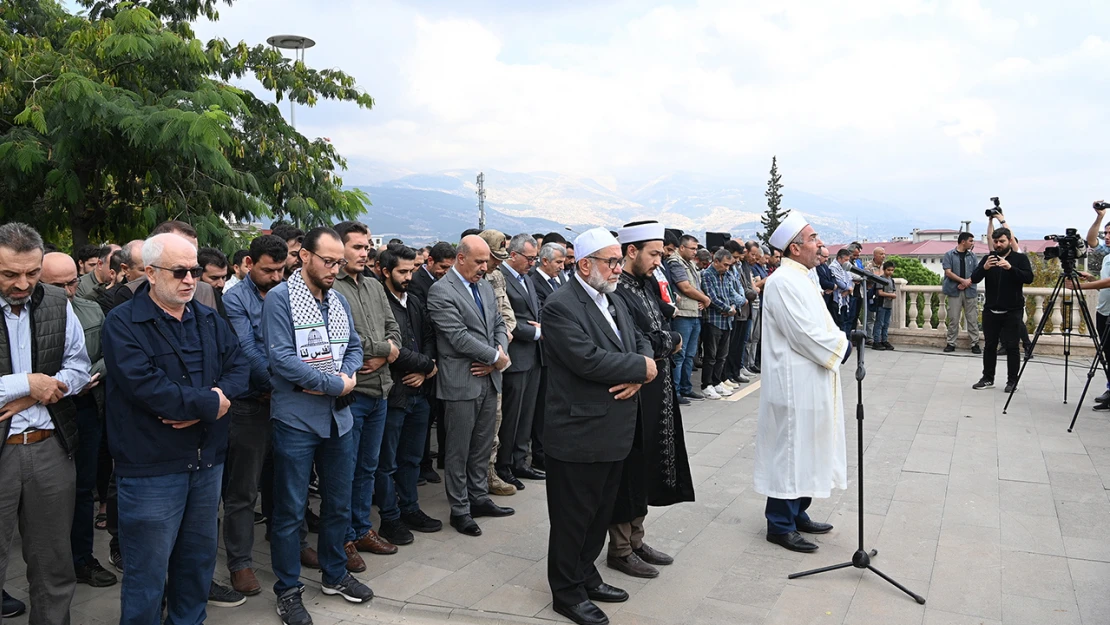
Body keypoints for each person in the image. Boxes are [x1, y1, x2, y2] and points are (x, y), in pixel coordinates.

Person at [103, 232, 249, 624]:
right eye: (180, 271)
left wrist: (209, 405)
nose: (190, 280)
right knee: (147, 576)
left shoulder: (208, 318)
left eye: (195, 271)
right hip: (152, 468)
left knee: (196, 567)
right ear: (149, 272)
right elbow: (146, 387)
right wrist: (210, 405)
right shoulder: (122, 323)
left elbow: (240, 367)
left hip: (206, 464)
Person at [541, 227, 657, 625]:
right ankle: (566, 592)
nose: (617, 269)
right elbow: (586, 359)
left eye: (618, 261)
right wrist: (641, 367)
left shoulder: (612, 298)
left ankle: (585, 574)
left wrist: (641, 368)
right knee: (573, 517)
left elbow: (639, 338)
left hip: (612, 431)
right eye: (610, 261)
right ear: (585, 263)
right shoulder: (560, 306)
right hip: (578, 433)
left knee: (598, 513)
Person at [262, 227, 373, 625]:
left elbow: (355, 346)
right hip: (296, 420)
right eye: (328, 261)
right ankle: (288, 589)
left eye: (338, 262)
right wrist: (332, 384)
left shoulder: (338, 299)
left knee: (338, 502)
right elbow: (282, 360)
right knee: (291, 509)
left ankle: (333, 573)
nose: (334, 268)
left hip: (338, 419)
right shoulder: (280, 300)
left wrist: (343, 376)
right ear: (304, 256)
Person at [0, 223, 91, 625]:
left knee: (54, 565)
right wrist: (26, 384)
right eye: (9, 274)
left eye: (32, 273)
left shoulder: (56, 301)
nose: (23, 283)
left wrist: (45, 389)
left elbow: (79, 366)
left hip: (50, 448)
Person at [754, 212, 850, 554]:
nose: (820, 244)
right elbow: (803, 332)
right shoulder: (782, 281)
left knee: (809, 445)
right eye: (813, 239)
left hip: (811, 376)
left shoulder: (804, 276)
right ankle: (779, 524)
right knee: (790, 450)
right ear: (795, 248)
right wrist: (843, 346)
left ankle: (798, 512)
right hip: (793, 381)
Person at [606, 221, 694, 581]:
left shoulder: (643, 284)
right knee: (630, 468)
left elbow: (662, 324)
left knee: (650, 464)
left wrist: (667, 337)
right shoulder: (617, 291)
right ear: (631, 251)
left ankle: (637, 539)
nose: (659, 261)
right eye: (654, 253)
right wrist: (669, 339)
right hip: (635, 391)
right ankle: (620, 549)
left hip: (657, 386)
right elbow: (642, 340)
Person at [222, 235, 296, 596]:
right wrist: (278, 383)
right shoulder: (234, 298)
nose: (277, 277)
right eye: (269, 270)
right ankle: (240, 562)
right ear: (250, 263)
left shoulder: (289, 291)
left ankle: (292, 546)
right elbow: (247, 348)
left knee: (287, 483)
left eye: (282, 269)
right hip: (252, 403)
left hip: (287, 400)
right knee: (243, 490)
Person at [426, 235, 514, 537]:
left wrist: (499, 357)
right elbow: (457, 337)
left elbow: (500, 324)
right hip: (462, 381)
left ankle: (478, 498)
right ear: (460, 258)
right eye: (479, 261)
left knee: (482, 445)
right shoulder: (441, 291)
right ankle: (460, 508)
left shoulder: (486, 287)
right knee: (458, 450)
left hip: (489, 377)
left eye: (487, 261)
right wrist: (495, 357)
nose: (484, 267)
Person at [41, 253, 117, 588]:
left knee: (82, 488)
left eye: (72, 282)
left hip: (85, 406)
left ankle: (81, 559)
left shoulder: (91, 309)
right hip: (39, 412)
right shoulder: (23, 318)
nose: (68, 291)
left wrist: (86, 377)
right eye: (57, 285)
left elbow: (107, 354)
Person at [331, 221, 403, 568]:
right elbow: (344, 340)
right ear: (338, 249)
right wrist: (383, 349)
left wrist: (388, 350)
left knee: (368, 467)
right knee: (344, 468)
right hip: (353, 392)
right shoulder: (332, 288)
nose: (365, 252)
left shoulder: (374, 285)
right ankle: (342, 537)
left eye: (366, 246)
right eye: (357, 247)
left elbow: (395, 332)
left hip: (381, 390)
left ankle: (361, 529)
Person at [376, 245, 443, 540]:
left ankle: (410, 508)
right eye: (402, 271)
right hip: (394, 392)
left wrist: (426, 368)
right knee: (386, 462)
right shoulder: (379, 302)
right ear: (385, 271)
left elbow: (428, 336)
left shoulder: (414, 300)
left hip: (419, 390)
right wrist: (426, 365)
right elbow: (390, 349)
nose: (409, 276)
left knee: (412, 458)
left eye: (412, 270)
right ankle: (389, 517)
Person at [497, 234, 547, 489]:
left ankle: (520, 461)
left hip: (533, 357)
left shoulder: (526, 278)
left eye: (535, 258)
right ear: (513, 255)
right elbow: (508, 319)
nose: (532, 263)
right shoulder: (500, 278)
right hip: (516, 356)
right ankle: (504, 465)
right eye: (529, 258)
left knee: (526, 414)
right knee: (511, 416)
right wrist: (537, 332)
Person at [476, 230, 519, 497]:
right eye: (494, 258)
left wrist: (502, 342)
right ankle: (476, 482)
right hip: (479, 361)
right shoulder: (469, 278)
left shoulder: (497, 276)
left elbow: (506, 315)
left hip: (499, 357)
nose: (496, 263)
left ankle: (489, 473)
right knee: (477, 430)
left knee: (495, 421)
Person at [970, 228, 1034, 393]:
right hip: (991, 310)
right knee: (990, 345)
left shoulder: (1019, 259)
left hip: (1013, 310)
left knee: (1012, 347)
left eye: (1002, 241)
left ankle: (1012, 381)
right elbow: (975, 278)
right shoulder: (988, 258)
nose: (998, 245)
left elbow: (1029, 278)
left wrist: (1010, 268)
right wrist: (984, 267)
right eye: (996, 242)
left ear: (1009, 241)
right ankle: (987, 378)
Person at [666, 235, 710, 402]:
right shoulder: (675, 262)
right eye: (692, 248)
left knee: (690, 354)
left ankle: (686, 388)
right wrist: (705, 299)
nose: (695, 252)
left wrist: (703, 298)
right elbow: (685, 287)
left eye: (696, 248)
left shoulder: (690, 264)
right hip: (683, 314)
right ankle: (675, 392)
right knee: (680, 354)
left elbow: (696, 286)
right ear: (682, 248)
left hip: (694, 313)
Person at [1081, 202, 1110, 407]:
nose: (1107, 236)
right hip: (1103, 312)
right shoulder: (1107, 255)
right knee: (1107, 354)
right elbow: (1091, 240)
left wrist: (1081, 288)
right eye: (1106, 233)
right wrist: (1099, 218)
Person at [699, 248, 738, 400]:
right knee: (711, 355)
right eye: (725, 264)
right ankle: (706, 384)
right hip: (714, 320)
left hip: (727, 320)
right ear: (716, 261)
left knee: (722, 355)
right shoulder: (707, 275)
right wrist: (727, 308)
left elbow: (732, 293)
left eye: (729, 265)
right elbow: (711, 297)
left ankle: (717, 382)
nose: (727, 268)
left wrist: (733, 307)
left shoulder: (727, 275)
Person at [942, 232, 981, 354]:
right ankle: (951, 343)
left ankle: (975, 343)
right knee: (953, 318)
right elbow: (948, 272)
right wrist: (961, 281)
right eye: (970, 241)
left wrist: (967, 282)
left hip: (970, 290)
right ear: (963, 241)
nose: (972, 243)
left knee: (972, 318)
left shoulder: (972, 256)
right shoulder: (949, 255)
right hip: (954, 291)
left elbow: (977, 272)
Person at [862, 247, 886, 344]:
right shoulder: (869, 266)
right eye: (881, 254)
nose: (883, 256)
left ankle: (878, 336)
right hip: (870, 293)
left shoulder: (884, 266)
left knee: (880, 317)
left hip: (881, 294)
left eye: (884, 254)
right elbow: (867, 278)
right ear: (875, 255)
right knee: (870, 316)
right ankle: (869, 337)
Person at [871, 261, 897, 350]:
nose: (890, 272)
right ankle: (876, 341)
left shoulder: (892, 280)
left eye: (892, 270)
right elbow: (880, 292)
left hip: (888, 305)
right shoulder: (880, 279)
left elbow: (893, 291)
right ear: (884, 269)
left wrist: (892, 295)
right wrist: (890, 295)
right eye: (888, 270)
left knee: (886, 323)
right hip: (881, 304)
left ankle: (884, 340)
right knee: (879, 323)